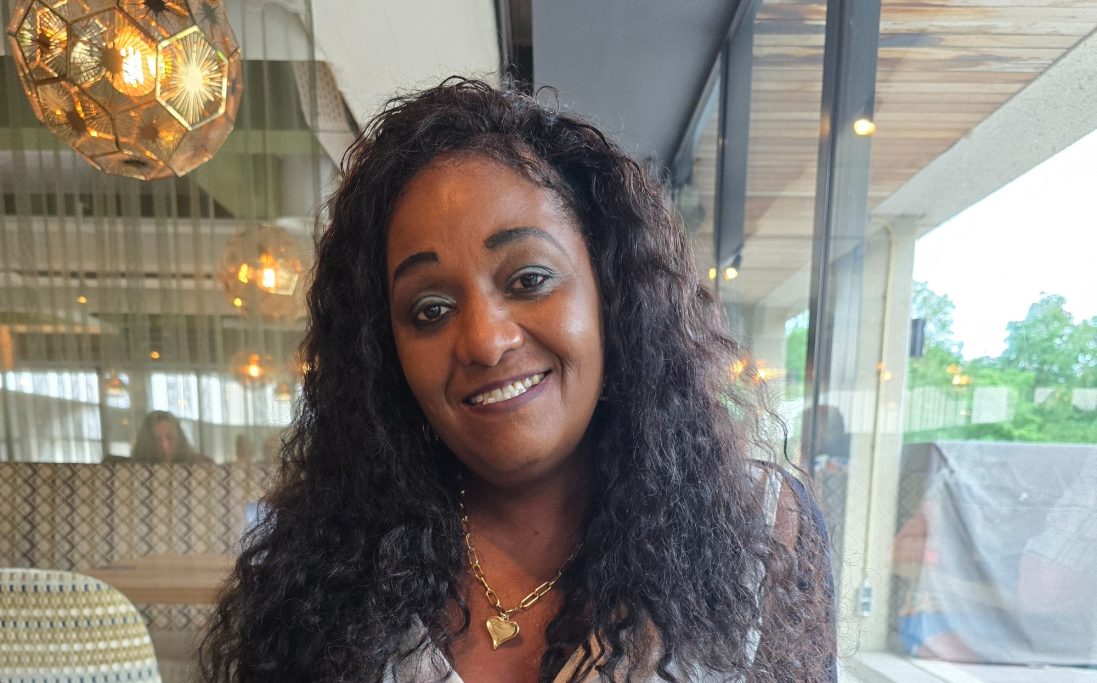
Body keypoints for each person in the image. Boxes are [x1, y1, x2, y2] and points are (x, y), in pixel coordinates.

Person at [200, 78, 834, 682]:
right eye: (430, 310)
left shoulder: (760, 529)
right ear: (385, 353)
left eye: (529, 279)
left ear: (610, 292)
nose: (484, 340)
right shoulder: (322, 571)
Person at [127, 410, 206, 464]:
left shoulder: (199, 467)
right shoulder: (132, 470)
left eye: (170, 438)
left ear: (180, 439)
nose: (164, 446)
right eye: (156, 440)